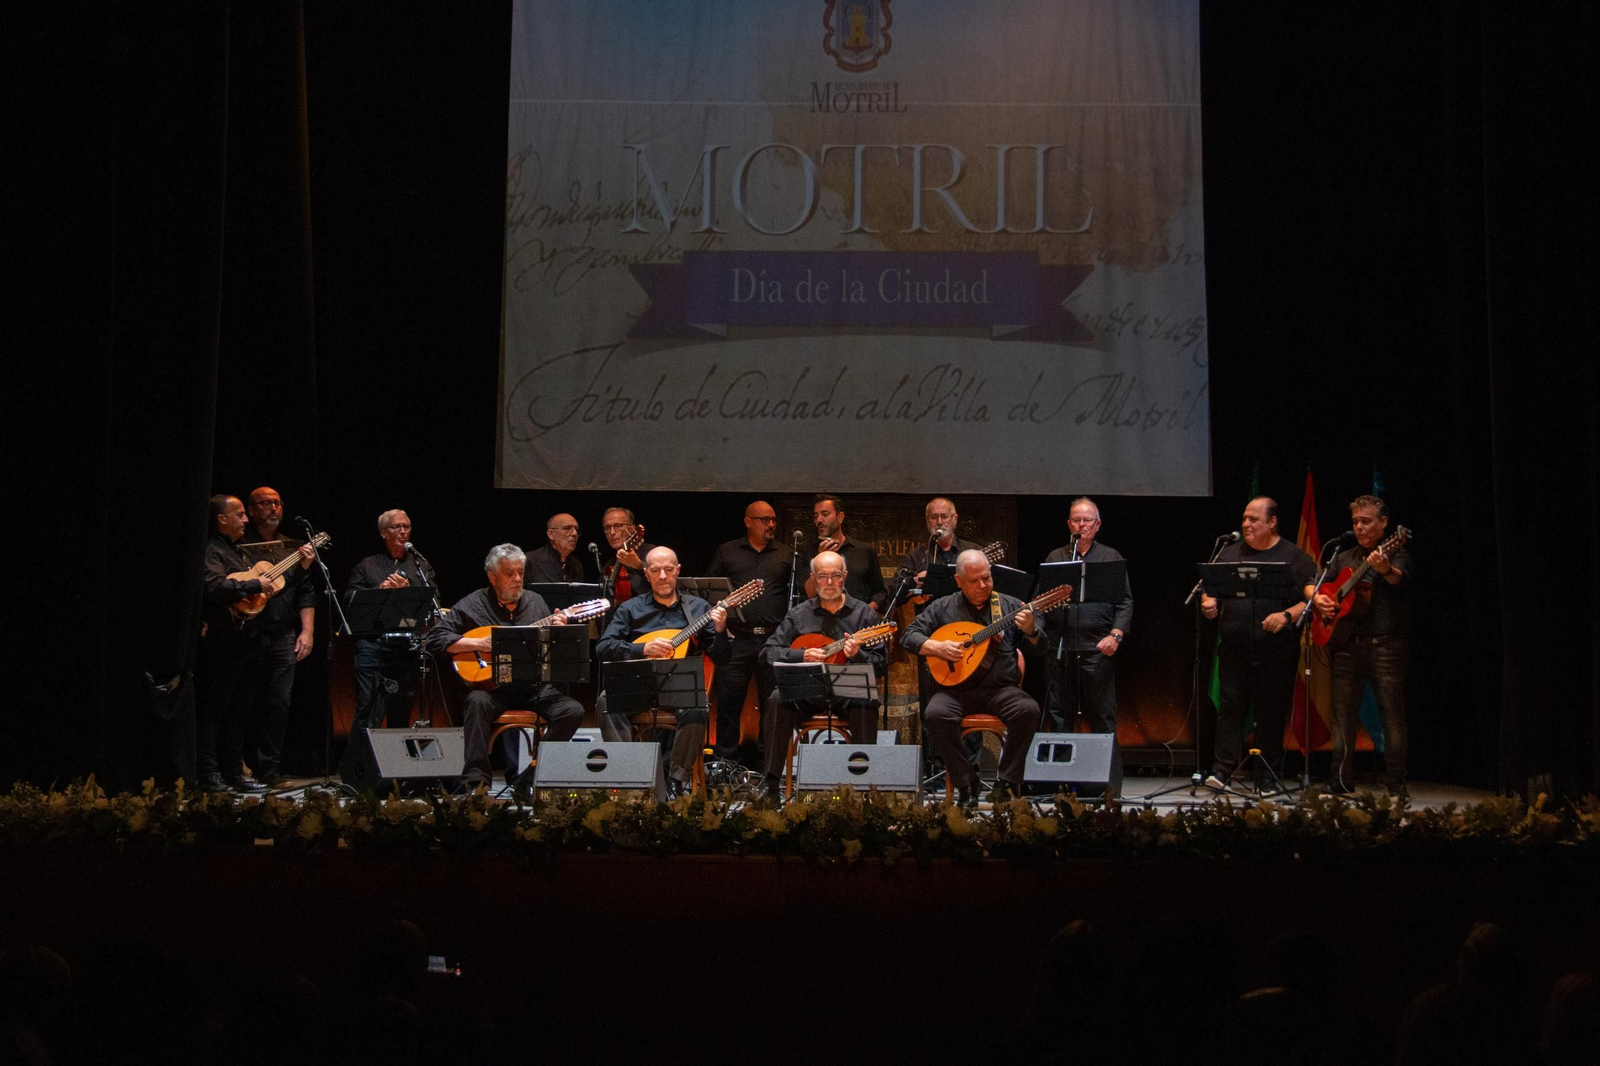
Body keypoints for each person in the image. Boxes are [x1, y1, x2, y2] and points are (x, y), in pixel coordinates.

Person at [426, 544, 584, 790]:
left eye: (520, 572)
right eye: (509, 573)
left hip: (532, 687)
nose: (517, 579)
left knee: (572, 710)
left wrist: (558, 630)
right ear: (492, 576)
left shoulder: (535, 602)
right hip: (492, 690)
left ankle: (531, 777)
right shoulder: (473, 604)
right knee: (476, 702)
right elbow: (434, 639)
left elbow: (548, 650)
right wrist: (478, 642)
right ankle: (476, 784)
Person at [904, 550, 1046, 805]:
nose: (982, 585)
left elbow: (1040, 649)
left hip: (1001, 690)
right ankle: (966, 782)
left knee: (1028, 710)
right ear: (959, 581)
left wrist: (1032, 630)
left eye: (986, 578)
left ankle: (1007, 783)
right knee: (935, 714)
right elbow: (909, 636)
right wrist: (935, 647)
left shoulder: (1010, 606)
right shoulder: (942, 607)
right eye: (974, 580)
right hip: (956, 692)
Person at [1200, 497, 1316, 790]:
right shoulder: (1228, 553)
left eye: (1254, 519)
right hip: (1234, 648)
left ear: (1272, 522)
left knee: (1270, 711)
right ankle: (1222, 771)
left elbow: (1312, 597)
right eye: (1245, 518)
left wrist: (1287, 615)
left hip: (1276, 649)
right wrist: (1208, 601)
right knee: (1230, 707)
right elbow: (1209, 590)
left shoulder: (1293, 557)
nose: (1246, 524)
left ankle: (1267, 775)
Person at [594, 547, 729, 797]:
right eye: (656, 570)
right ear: (646, 574)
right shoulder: (630, 609)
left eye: (668, 570)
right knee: (605, 701)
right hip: (639, 687)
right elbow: (603, 647)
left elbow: (722, 657)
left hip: (679, 689)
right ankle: (630, 775)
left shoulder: (698, 608)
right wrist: (642, 648)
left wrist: (720, 630)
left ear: (678, 571)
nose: (663, 576)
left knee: (699, 706)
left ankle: (676, 780)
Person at [759, 550, 885, 798]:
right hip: (806, 688)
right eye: (823, 576)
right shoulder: (798, 614)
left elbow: (880, 664)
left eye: (835, 576)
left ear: (845, 577)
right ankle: (771, 784)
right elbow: (768, 652)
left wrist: (857, 654)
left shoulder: (864, 615)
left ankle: (863, 784)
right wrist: (801, 655)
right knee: (776, 699)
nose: (829, 583)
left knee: (867, 701)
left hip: (848, 690)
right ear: (813, 578)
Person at [1314, 494, 1413, 796]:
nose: (1359, 527)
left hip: (1386, 646)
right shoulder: (1343, 557)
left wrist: (1384, 569)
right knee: (1342, 715)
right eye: (1355, 522)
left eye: (1366, 521)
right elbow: (1321, 585)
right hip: (1346, 645)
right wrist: (1321, 601)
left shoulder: (1397, 551)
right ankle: (1340, 779)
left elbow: (1400, 580)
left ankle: (1396, 782)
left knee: (1391, 714)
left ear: (1384, 524)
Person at [197, 494, 294, 792]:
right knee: (216, 710)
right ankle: (208, 774)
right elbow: (212, 586)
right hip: (223, 643)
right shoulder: (212, 551)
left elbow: (268, 584)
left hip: (249, 642)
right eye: (238, 515)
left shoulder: (240, 552)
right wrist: (254, 584)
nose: (245, 520)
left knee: (239, 712)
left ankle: (234, 773)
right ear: (221, 520)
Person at [1041, 497, 1133, 795]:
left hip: (1097, 647)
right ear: (1069, 524)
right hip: (1060, 647)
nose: (1081, 526)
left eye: (1087, 521)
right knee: (1059, 715)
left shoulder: (1109, 557)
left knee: (1101, 715)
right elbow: (1040, 603)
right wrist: (1037, 635)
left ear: (1097, 525)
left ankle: (1106, 785)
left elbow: (1125, 602)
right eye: (1076, 521)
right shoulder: (1056, 557)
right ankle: (1062, 783)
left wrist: (1116, 635)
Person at [704, 500, 794, 765]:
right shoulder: (727, 551)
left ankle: (769, 766)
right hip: (737, 637)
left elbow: (802, 594)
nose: (771, 525)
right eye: (765, 520)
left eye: (774, 520)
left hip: (773, 638)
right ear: (748, 522)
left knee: (773, 704)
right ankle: (725, 766)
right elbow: (710, 591)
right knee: (729, 704)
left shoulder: (787, 554)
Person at [239, 485, 317, 786]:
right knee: (245, 702)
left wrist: (307, 631)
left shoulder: (292, 546)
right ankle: (238, 767)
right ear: (252, 510)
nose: (273, 508)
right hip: (248, 633)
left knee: (279, 704)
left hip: (283, 634)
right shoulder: (241, 545)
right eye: (265, 503)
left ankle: (268, 769)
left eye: (277, 503)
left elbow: (306, 592)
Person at [345, 509, 438, 736]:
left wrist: (408, 592)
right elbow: (349, 601)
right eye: (397, 527)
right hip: (372, 646)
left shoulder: (420, 566)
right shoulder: (367, 566)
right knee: (367, 707)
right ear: (383, 533)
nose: (403, 531)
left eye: (406, 526)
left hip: (406, 647)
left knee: (401, 708)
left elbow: (434, 602)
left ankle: (396, 764)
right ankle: (361, 763)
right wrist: (381, 590)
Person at [800, 494, 887, 614]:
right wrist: (820, 558)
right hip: (820, 623)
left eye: (825, 514)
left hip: (857, 624)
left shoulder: (863, 550)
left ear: (840, 517)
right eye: (816, 516)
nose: (819, 520)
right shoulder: (809, 552)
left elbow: (880, 592)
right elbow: (809, 594)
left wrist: (866, 611)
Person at [894, 497, 983, 613]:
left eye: (944, 516)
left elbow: (990, 590)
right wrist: (915, 581)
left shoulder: (974, 551)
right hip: (928, 624)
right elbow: (893, 595)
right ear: (927, 520)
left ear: (955, 518)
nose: (939, 522)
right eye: (934, 517)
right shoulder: (917, 555)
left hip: (966, 621)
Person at [599, 507, 655, 605]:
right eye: (607, 528)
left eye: (618, 526)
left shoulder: (652, 552)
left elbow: (664, 581)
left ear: (632, 529)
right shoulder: (610, 564)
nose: (612, 532)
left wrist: (639, 566)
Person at [526, 513, 585, 583]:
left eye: (577, 529)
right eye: (567, 528)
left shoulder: (576, 566)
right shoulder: (530, 561)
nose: (575, 533)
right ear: (551, 534)